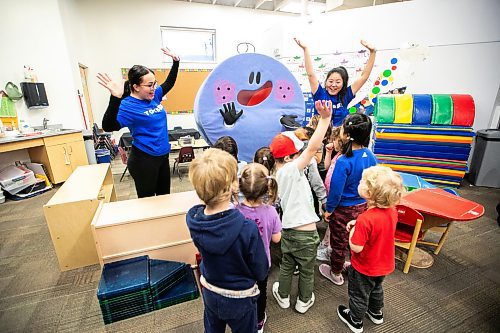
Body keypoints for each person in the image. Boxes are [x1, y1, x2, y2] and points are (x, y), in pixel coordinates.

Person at [186, 148, 268, 333]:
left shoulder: (194, 220)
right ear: (233, 185)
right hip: (240, 298)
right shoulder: (247, 228)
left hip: (210, 291)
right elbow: (261, 270)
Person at [269, 100, 332, 314]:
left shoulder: (276, 176)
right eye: (298, 154)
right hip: (306, 234)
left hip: (288, 231)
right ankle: (304, 301)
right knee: (306, 270)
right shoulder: (290, 170)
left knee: (287, 265)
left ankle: (284, 297)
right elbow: (313, 147)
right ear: (288, 158)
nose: (302, 156)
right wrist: (324, 120)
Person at [97, 48, 179, 198]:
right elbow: (109, 126)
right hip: (144, 160)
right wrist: (115, 98)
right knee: (147, 203)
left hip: (162, 156)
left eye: (154, 84)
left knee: (164, 198)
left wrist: (176, 62)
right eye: (149, 85)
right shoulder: (127, 105)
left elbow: (169, 83)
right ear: (135, 87)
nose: (153, 88)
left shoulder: (153, 96)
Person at [337, 165, 404, 333]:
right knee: (376, 289)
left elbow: (356, 247)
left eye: (362, 181)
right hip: (384, 264)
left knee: (359, 293)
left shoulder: (365, 219)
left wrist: (354, 229)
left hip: (365, 267)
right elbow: (379, 229)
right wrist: (358, 225)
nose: (359, 182)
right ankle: (376, 313)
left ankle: (355, 320)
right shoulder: (392, 211)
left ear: (370, 194)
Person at [320, 113, 377, 286]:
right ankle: (353, 266)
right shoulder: (370, 155)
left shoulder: (344, 161)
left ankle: (336, 272)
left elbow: (336, 191)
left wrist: (329, 210)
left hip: (343, 209)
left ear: (346, 135)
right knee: (354, 237)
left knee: (338, 241)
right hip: (363, 206)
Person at [236, 163, 282, 333]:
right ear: (266, 188)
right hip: (262, 263)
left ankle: (242, 317)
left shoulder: (235, 211)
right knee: (261, 292)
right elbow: (277, 239)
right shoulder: (271, 211)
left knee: (243, 292)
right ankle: (259, 321)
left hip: (241, 264)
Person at [294, 38, 377, 127]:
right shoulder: (319, 93)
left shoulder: (346, 95)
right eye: (330, 81)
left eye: (338, 82)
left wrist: (373, 52)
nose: (333, 85)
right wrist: (305, 49)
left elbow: (363, 77)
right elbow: (311, 75)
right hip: (318, 136)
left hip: (337, 137)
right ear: (326, 82)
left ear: (343, 84)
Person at [316, 126, 344, 262]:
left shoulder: (344, 159)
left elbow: (338, 187)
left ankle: (329, 249)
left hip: (336, 199)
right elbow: (327, 167)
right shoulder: (338, 155)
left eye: (335, 140)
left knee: (334, 226)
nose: (332, 142)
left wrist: (330, 207)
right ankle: (326, 244)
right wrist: (328, 152)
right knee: (331, 224)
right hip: (331, 196)